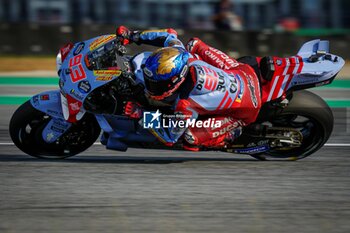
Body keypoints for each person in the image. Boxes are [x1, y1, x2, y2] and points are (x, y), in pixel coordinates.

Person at [117, 26, 261, 151]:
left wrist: (141, 113)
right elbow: (168, 34)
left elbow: (170, 136)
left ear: (175, 81)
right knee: (193, 44)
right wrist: (132, 35)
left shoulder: (185, 104)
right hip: (242, 72)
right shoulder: (178, 51)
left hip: (245, 109)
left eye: (156, 84)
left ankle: (232, 133)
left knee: (189, 138)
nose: (151, 86)